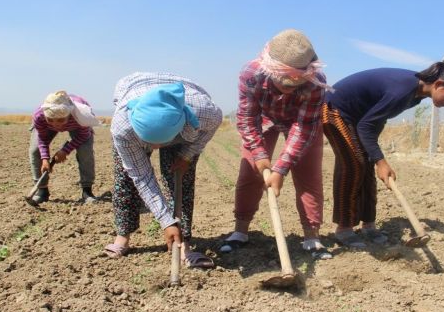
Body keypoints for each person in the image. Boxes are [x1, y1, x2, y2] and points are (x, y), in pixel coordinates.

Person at [322, 62, 444, 248]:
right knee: (354, 165)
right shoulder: (402, 90)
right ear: (439, 84)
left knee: (366, 164)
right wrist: (381, 160)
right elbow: (366, 125)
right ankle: (344, 229)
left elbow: (376, 118)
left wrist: (374, 157)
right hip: (335, 109)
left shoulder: (417, 94)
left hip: (360, 116)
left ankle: (368, 225)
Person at [220, 29, 333, 260]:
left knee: (309, 176)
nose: (291, 88)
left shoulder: (316, 82)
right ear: (271, 71)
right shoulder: (252, 73)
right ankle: (240, 231)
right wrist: (262, 158)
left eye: (296, 84)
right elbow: (247, 118)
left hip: (302, 123)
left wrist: (281, 169)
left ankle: (312, 237)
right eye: (285, 84)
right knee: (250, 172)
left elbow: (302, 128)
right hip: (264, 119)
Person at [104, 72, 222, 269]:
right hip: (134, 93)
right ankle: (122, 236)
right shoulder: (122, 127)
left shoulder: (204, 113)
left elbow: (212, 126)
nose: (155, 147)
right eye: (149, 142)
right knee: (125, 178)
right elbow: (142, 177)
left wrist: (187, 154)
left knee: (180, 177)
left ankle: (184, 242)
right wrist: (166, 221)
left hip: (182, 112)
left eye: (160, 142)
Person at [29, 90, 101, 205]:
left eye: (61, 120)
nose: (56, 124)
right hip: (49, 125)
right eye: (51, 120)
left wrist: (65, 151)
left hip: (77, 124)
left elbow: (84, 135)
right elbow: (42, 139)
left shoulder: (81, 115)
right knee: (35, 151)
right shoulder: (40, 116)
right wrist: (44, 159)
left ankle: (87, 191)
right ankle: (42, 191)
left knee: (85, 151)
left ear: (68, 114)